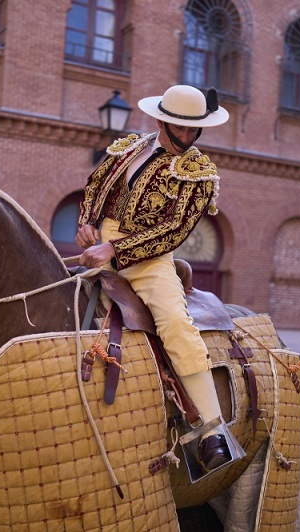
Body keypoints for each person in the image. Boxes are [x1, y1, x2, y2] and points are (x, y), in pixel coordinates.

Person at [76, 85, 232, 471]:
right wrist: (87, 223)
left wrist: (115, 250)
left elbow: (175, 230)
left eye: (194, 129)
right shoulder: (129, 147)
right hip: (99, 247)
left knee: (175, 321)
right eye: (181, 128)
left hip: (149, 258)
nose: (188, 137)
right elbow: (95, 185)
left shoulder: (199, 172)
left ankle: (212, 430)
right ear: (161, 122)